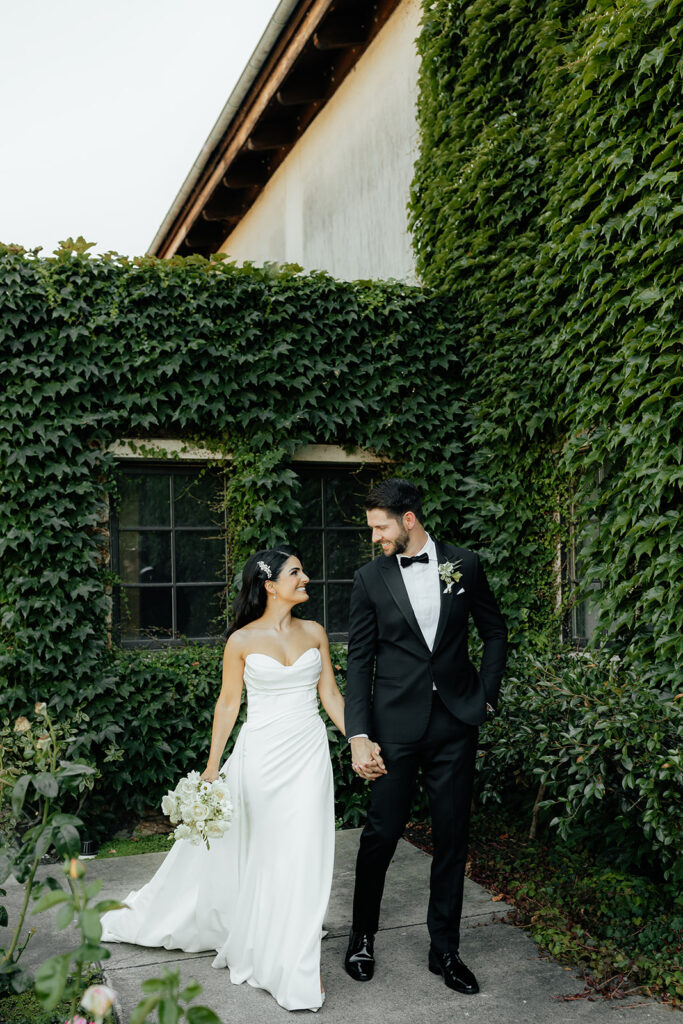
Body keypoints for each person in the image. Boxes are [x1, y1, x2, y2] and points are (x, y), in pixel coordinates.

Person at [101, 546, 345, 1013]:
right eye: (297, 572)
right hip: (261, 759)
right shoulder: (241, 642)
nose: (307, 577)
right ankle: (273, 947)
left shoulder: (315, 633)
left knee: (306, 850)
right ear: (270, 585)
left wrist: (357, 738)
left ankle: (295, 960)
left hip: (308, 754)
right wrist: (213, 767)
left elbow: (331, 693)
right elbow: (228, 704)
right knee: (269, 852)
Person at [343, 480, 507, 995]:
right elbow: (359, 659)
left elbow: (494, 631)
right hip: (393, 729)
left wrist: (485, 694)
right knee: (381, 835)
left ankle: (445, 949)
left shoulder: (465, 564)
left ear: (408, 519)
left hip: (455, 722)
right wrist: (358, 734)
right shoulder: (370, 578)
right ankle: (362, 936)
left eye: (380, 526)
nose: (375, 537)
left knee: (452, 838)